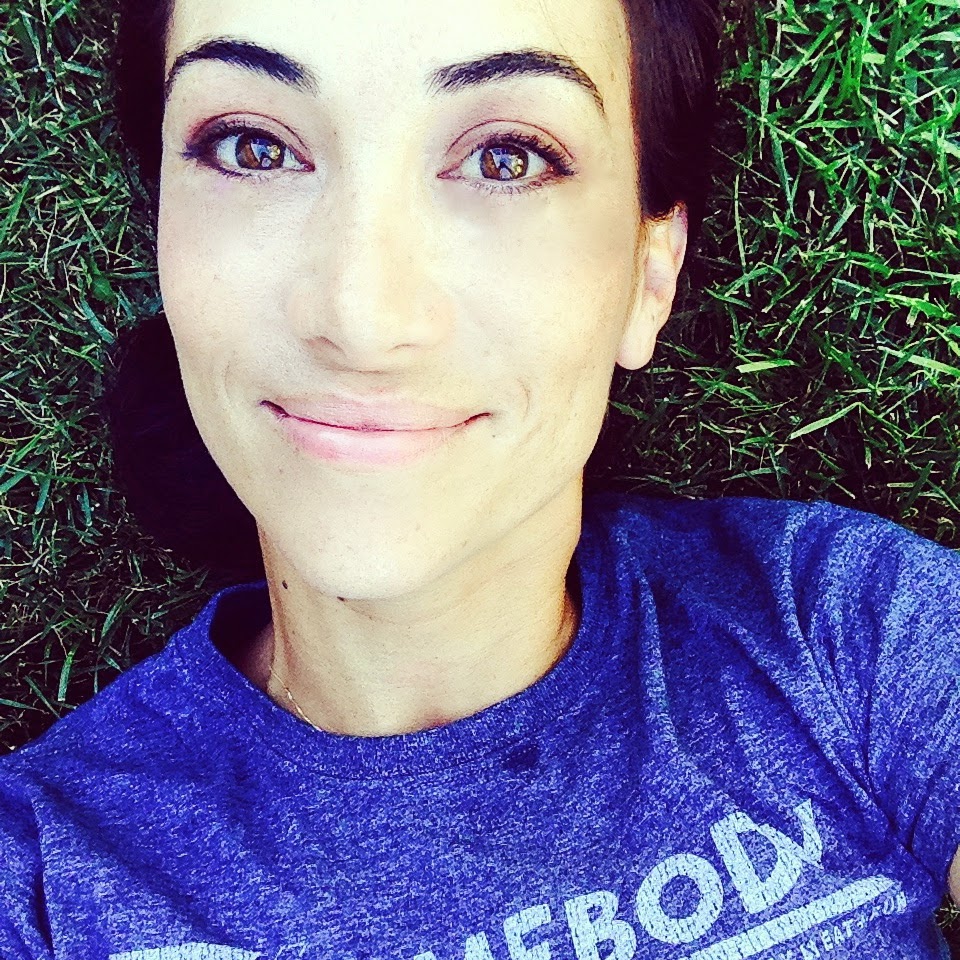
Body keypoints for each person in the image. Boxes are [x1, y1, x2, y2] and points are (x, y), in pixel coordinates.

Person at [2, 0, 959, 958]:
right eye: (253, 148)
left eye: (507, 157)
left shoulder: (843, 633)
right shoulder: (46, 883)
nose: (362, 318)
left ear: (648, 275)